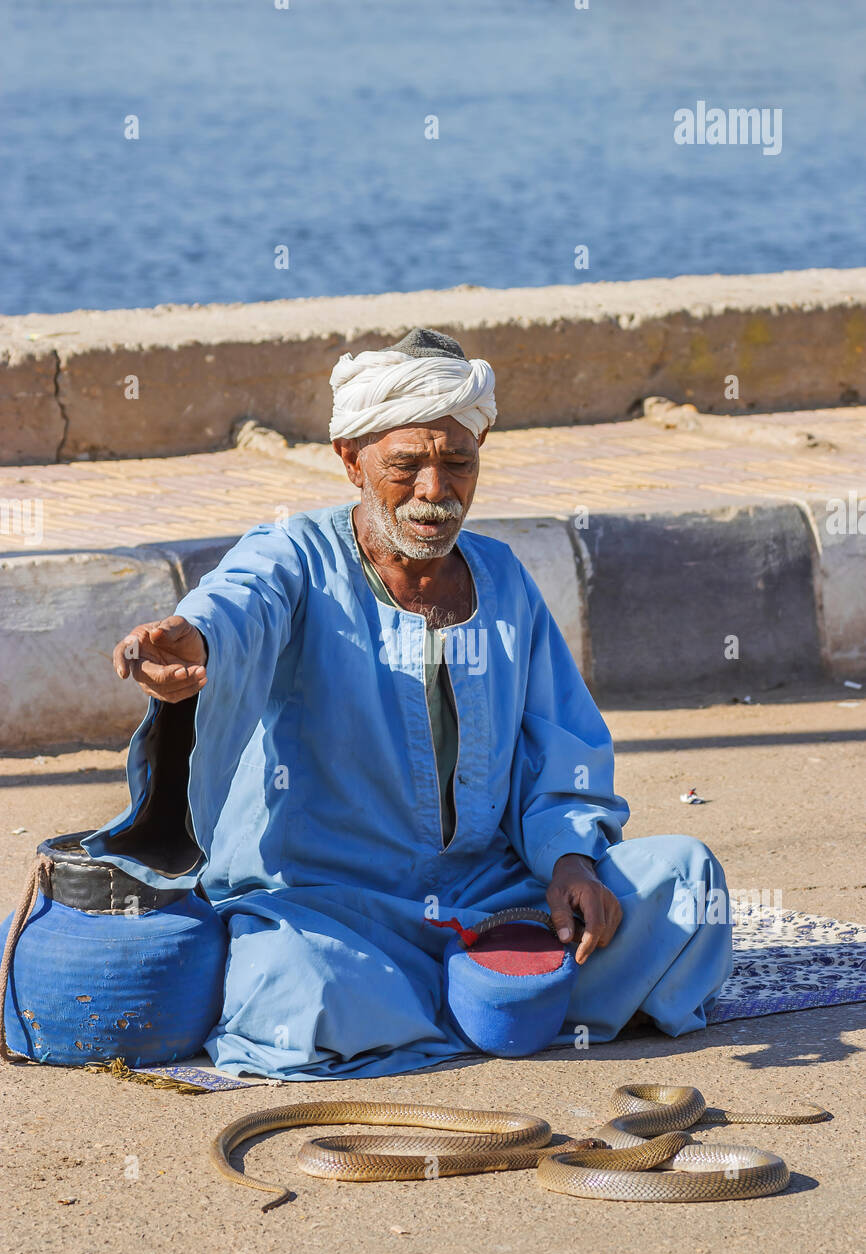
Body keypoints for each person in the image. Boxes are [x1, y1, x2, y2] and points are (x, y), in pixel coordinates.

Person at [91, 327, 732, 1079]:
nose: (436, 491)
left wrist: (568, 861)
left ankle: (450, 1002)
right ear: (351, 460)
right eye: (407, 466)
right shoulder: (292, 555)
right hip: (333, 905)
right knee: (302, 985)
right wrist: (196, 645)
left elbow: (560, 743)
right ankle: (499, 1001)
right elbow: (237, 605)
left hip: (495, 893)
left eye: (459, 461)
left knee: (685, 883)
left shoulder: (501, 577)